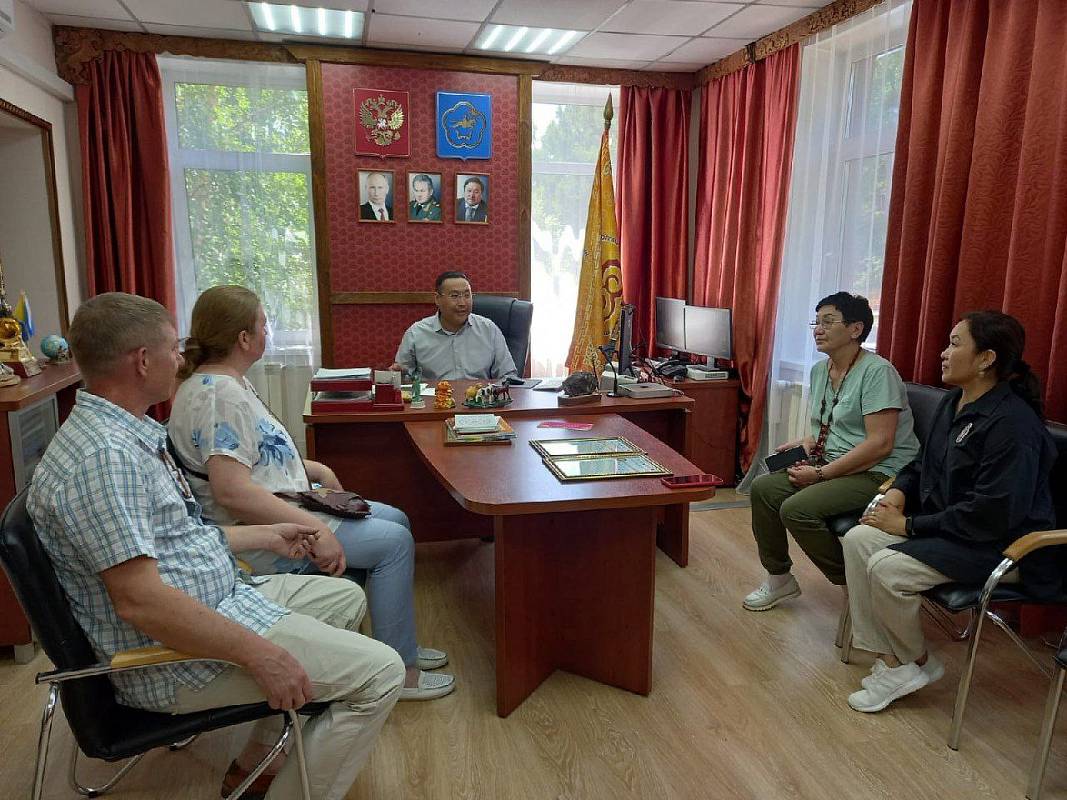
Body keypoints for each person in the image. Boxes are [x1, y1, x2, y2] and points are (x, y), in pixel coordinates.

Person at [27, 292, 405, 800]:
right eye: (172, 348)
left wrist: (270, 533)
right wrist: (261, 655)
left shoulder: (123, 433)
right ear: (142, 361)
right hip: (171, 658)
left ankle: (256, 765)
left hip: (217, 596)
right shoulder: (105, 460)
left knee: (344, 599)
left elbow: (175, 538)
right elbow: (141, 602)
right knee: (383, 673)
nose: (181, 357)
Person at [168, 286, 455, 702]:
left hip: (282, 503)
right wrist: (316, 530)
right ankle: (402, 672)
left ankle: (393, 642)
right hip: (262, 532)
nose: (268, 331)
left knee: (396, 518)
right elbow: (233, 492)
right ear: (244, 338)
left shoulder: (226, 383)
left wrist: (315, 469)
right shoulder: (219, 396)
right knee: (394, 542)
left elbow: (256, 458)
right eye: (263, 324)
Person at [841, 311, 1056, 713]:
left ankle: (909, 663)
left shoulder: (1013, 425)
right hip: (956, 530)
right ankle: (898, 661)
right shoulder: (953, 403)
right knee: (858, 540)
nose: (943, 352)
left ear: (986, 358)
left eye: (955, 344)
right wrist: (900, 491)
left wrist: (908, 525)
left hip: (1004, 546)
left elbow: (993, 514)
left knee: (888, 569)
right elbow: (924, 463)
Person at [744, 292, 920, 611]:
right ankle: (780, 579)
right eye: (816, 322)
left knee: (796, 509)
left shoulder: (878, 372)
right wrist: (808, 442)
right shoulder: (819, 371)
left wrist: (820, 474)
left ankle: (858, 582)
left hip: (880, 472)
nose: (818, 329)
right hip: (835, 462)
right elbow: (834, 424)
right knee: (763, 488)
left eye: (828, 321)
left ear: (855, 329)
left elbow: (880, 444)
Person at [390, 270, 517, 381]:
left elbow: (508, 375)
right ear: (437, 299)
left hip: (478, 399)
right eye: (455, 296)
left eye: (467, 295)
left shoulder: (489, 329)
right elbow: (403, 379)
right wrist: (399, 375)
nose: (462, 303)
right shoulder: (416, 333)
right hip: (435, 399)